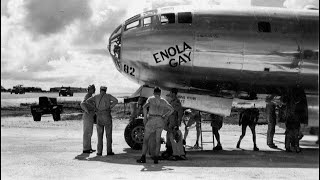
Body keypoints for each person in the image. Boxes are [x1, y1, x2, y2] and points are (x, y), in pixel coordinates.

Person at [136, 87, 174, 164]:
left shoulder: (150, 99)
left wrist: (145, 117)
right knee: (157, 140)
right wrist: (165, 116)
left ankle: (143, 157)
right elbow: (172, 109)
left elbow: (144, 107)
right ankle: (156, 158)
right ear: (160, 93)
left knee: (146, 140)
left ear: (154, 93)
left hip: (151, 119)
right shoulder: (163, 101)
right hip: (160, 120)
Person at [85, 86, 118, 156]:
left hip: (99, 116)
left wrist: (95, 107)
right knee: (108, 135)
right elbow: (116, 100)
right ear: (105, 90)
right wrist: (110, 107)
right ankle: (109, 151)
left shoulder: (96, 96)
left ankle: (99, 152)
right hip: (107, 115)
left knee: (99, 135)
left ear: (100, 90)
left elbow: (88, 101)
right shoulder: (108, 96)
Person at [162, 88, 185, 160]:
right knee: (169, 137)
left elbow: (180, 114)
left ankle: (175, 154)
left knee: (173, 138)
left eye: (171, 93)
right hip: (170, 122)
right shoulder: (172, 102)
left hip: (173, 123)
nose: (170, 94)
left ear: (174, 94)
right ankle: (170, 152)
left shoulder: (176, 102)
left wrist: (177, 125)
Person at [80, 84, 96, 153]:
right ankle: (86, 149)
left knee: (89, 132)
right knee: (87, 132)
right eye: (92, 88)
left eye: (93, 88)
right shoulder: (87, 96)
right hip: (88, 115)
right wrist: (87, 111)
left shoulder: (90, 96)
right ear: (89, 89)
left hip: (90, 115)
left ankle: (89, 148)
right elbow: (82, 103)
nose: (93, 90)